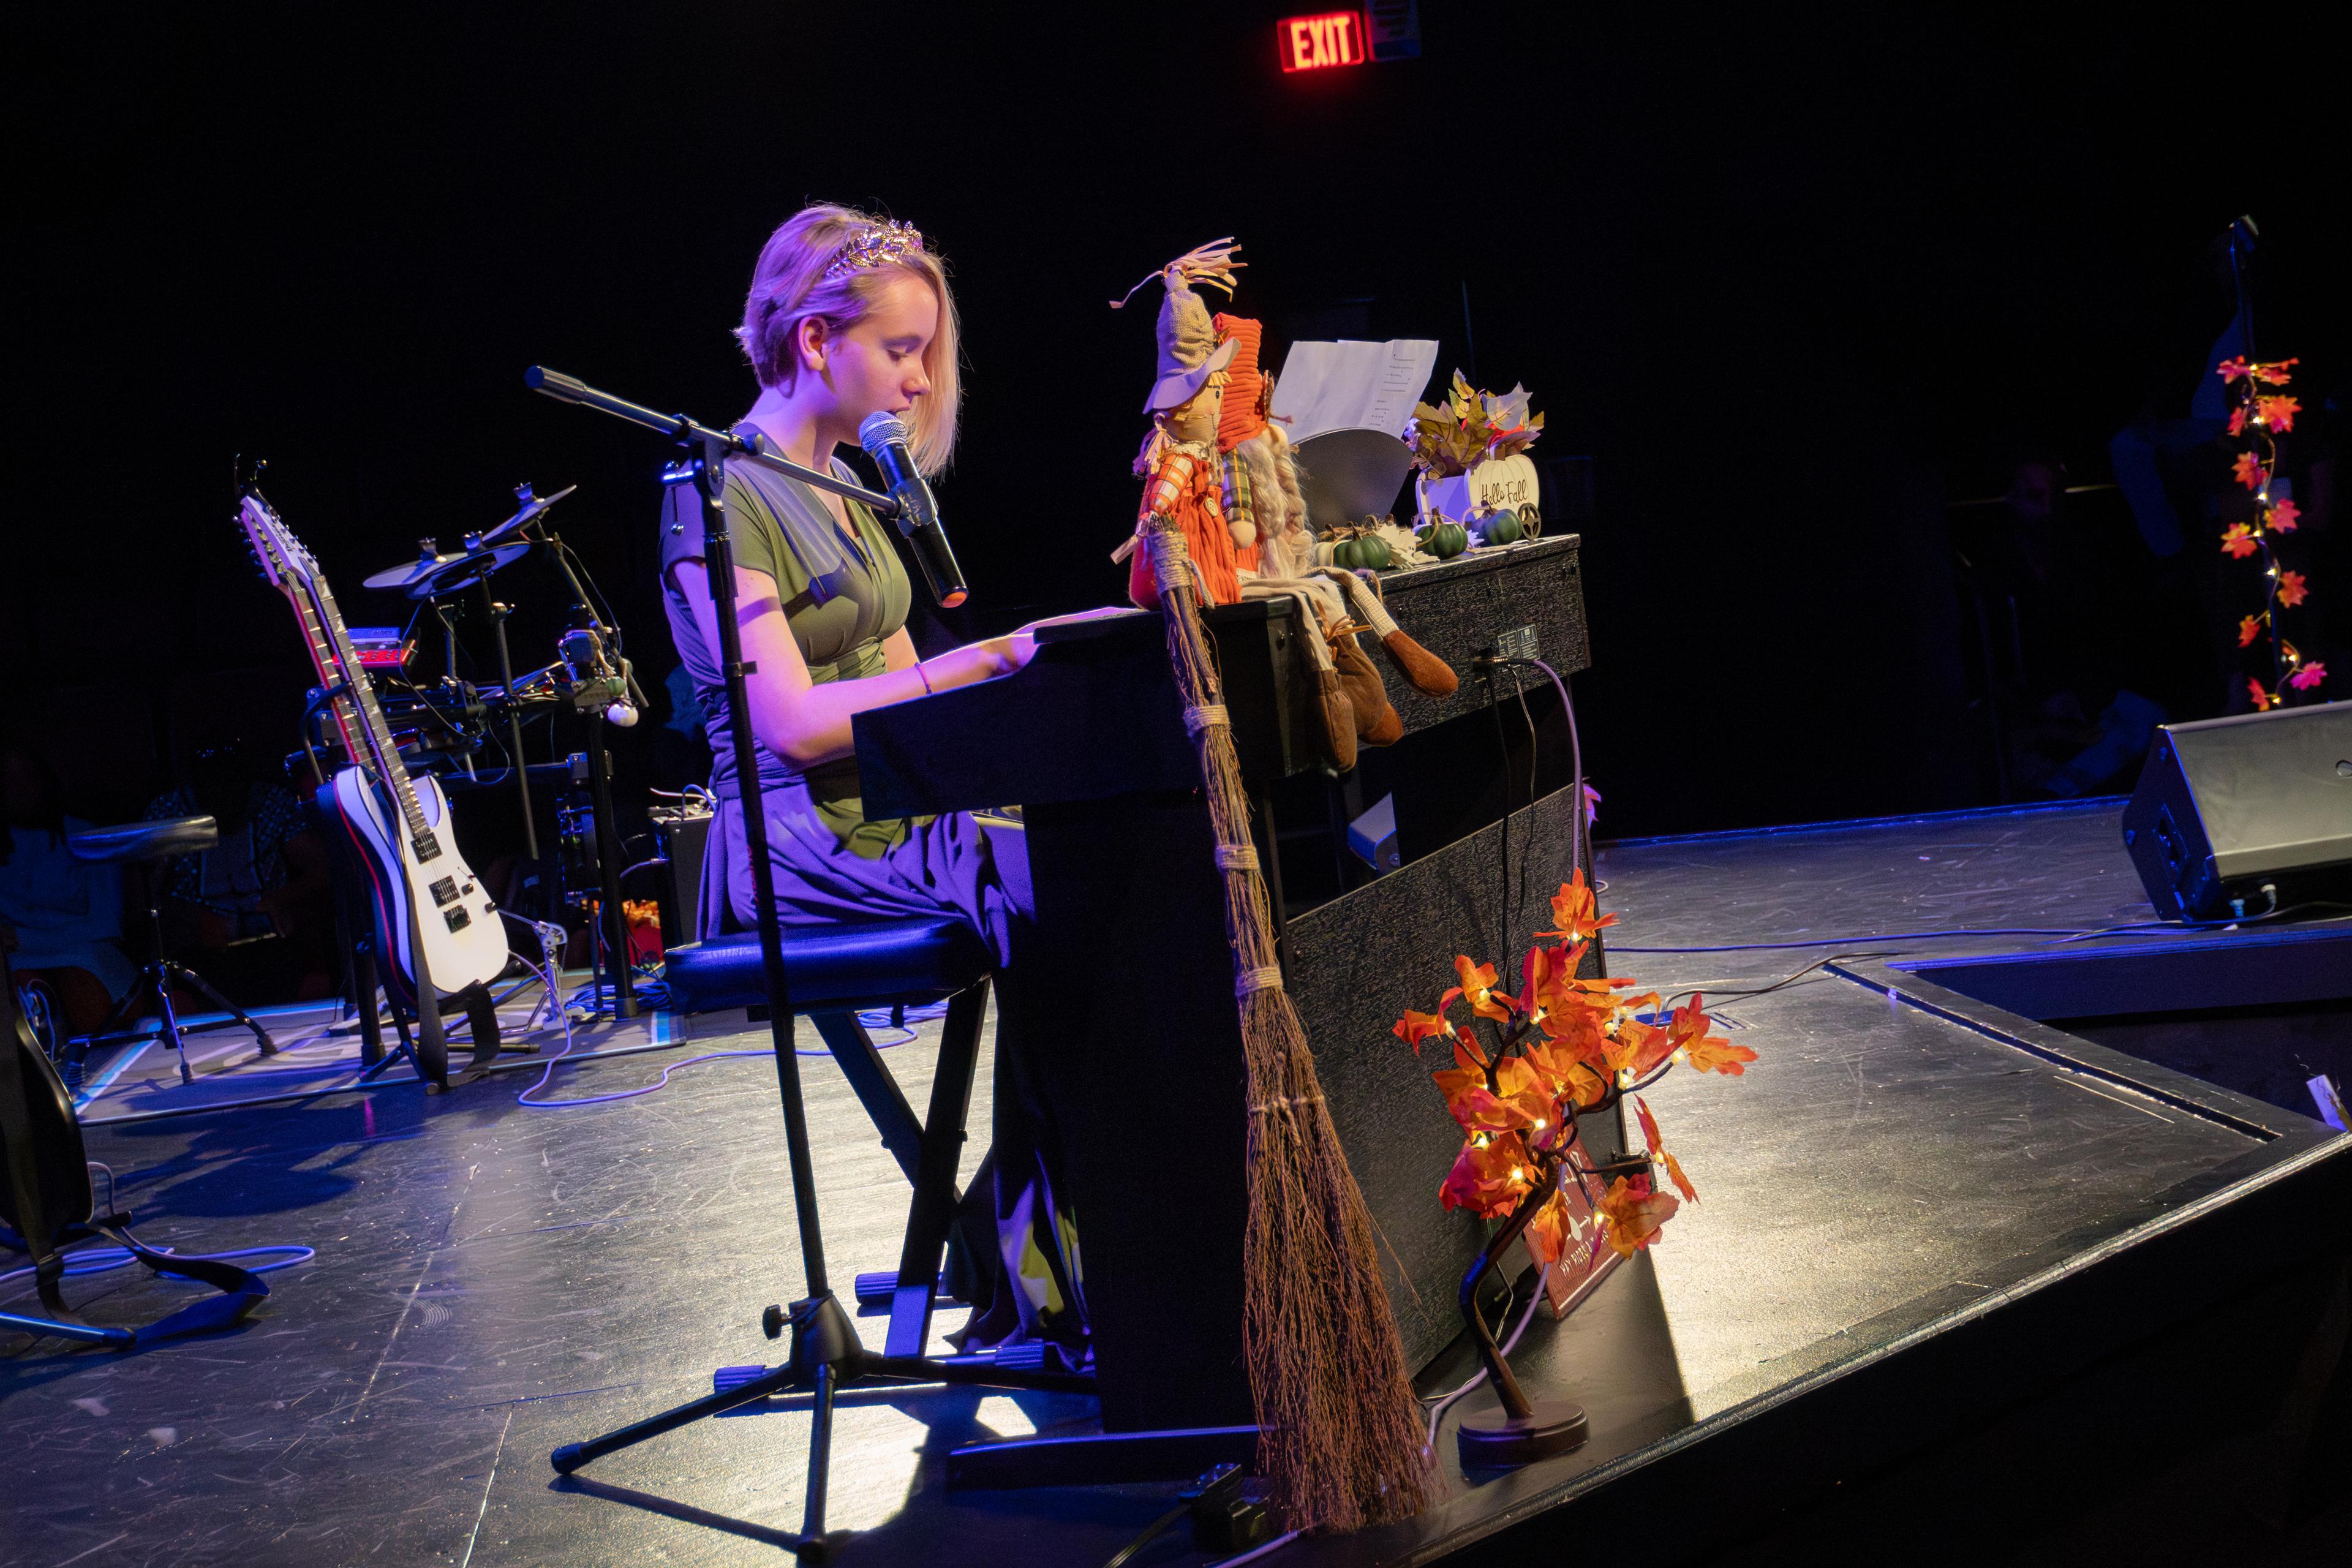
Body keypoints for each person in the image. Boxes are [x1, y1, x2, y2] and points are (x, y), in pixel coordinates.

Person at [658, 203, 1079, 1354]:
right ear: (813, 342)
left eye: (926, 355)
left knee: (1094, 861)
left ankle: (1040, 1237)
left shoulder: (851, 484)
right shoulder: (718, 491)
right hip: (792, 841)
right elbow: (792, 725)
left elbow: (907, 688)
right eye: (900, 351)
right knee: (1064, 896)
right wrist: (993, 660)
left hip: (890, 817)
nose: (918, 380)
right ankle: (1034, 1267)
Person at [142, 740, 334, 1005]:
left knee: (314, 984)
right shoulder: (167, 813)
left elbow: (321, 869)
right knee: (178, 999)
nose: (223, 792)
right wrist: (192, 918)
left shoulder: (272, 802)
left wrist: (281, 899)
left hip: (271, 943)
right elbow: (143, 895)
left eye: (231, 782)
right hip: (200, 952)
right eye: (212, 783)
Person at [0, 742, 136, 1036]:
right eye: (8, 781)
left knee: (81, 985)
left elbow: (107, 925)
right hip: (19, 961)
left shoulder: (85, 836)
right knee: (19, 984)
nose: (19, 789)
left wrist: (24, 938)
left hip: (87, 953)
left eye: (27, 778)